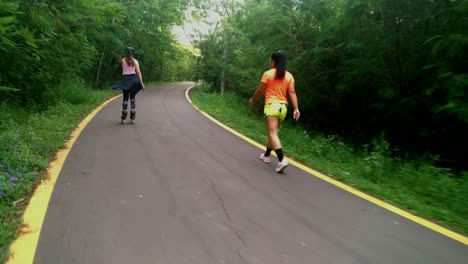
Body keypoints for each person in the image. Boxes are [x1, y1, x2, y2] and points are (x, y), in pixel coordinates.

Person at [249, 51, 300, 173]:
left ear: (273, 61)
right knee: (274, 133)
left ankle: (282, 160)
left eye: (270, 59)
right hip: (283, 108)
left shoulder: (268, 74)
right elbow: (292, 93)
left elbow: (260, 90)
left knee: (272, 134)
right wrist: (296, 108)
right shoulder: (289, 76)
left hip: (272, 106)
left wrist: (252, 100)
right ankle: (266, 155)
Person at [112, 47, 145, 123]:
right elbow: (138, 72)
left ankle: (123, 117)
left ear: (126, 53)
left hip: (125, 80)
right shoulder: (135, 61)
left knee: (125, 98)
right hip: (134, 80)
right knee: (132, 97)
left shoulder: (122, 60)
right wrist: (141, 82)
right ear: (133, 53)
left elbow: (122, 69)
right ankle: (132, 117)